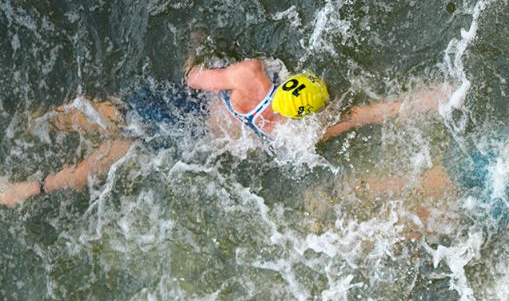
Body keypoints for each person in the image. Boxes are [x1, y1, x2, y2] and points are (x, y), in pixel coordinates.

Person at [1, 60, 455, 207]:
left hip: (184, 109)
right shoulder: (296, 138)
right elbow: (364, 115)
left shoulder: (252, 76)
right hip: (192, 145)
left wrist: (195, 52)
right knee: (114, 156)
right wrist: (432, 99)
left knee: (102, 113)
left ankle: (32, 120)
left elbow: (194, 77)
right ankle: (29, 189)